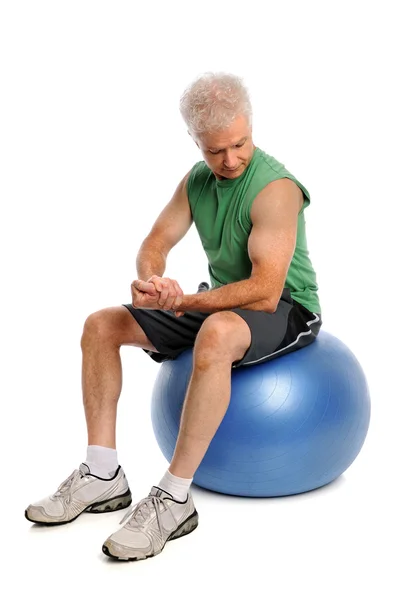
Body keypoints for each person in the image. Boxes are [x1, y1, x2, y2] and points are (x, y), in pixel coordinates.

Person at [25, 72, 322, 561]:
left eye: (239, 144)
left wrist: (183, 302)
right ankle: (102, 473)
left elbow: (267, 292)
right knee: (101, 325)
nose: (229, 160)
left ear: (252, 126)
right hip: (220, 300)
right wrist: (152, 281)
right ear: (195, 142)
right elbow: (156, 243)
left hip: (288, 306)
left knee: (217, 329)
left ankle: (174, 498)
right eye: (214, 150)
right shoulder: (198, 180)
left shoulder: (277, 189)